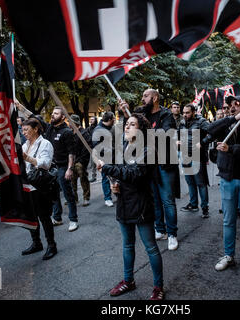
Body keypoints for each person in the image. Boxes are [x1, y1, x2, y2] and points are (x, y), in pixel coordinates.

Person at [98, 113, 164, 300]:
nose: (126, 127)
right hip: (124, 204)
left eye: (132, 124)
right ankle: (128, 280)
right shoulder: (123, 147)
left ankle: (158, 287)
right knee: (127, 245)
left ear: (141, 130)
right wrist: (115, 184)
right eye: (126, 124)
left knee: (150, 247)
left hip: (141, 204)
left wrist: (108, 168)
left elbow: (135, 173)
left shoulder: (148, 150)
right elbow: (122, 173)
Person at [202, 96, 240, 276]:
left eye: (237, 104)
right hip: (228, 179)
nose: (232, 106)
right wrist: (232, 119)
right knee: (228, 221)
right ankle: (228, 256)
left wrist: (231, 149)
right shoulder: (228, 123)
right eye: (230, 104)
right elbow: (209, 129)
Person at [119, 89, 180, 251]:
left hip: (164, 163)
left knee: (167, 199)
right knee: (154, 199)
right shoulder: (140, 113)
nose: (142, 98)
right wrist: (126, 114)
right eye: (142, 96)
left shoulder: (165, 115)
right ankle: (160, 229)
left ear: (155, 97)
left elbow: (165, 135)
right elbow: (132, 126)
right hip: (149, 163)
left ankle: (172, 233)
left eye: (146, 96)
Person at [21, 118, 57, 260]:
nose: (24, 133)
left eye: (26, 130)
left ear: (36, 129)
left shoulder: (44, 143)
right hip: (27, 185)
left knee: (44, 217)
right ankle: (36, 243)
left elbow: (46, 163)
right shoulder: (25, 145)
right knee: (31, 216)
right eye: (22, 130)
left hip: (39, 186)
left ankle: (51, 245)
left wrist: (27, 158)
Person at [44, 106, 79, 231]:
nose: (52, 115)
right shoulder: (50, 129)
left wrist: (70, 169)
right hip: (51, 167)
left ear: (63, 116)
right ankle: (57, 218)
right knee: (53, 194)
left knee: (68, 194)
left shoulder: (67, 132)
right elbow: (32, 117)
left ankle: (73, 220)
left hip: (63, 166)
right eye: (52, 113)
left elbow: (71, 153)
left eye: (56, 113)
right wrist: (19, 106)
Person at [179, 104, 210, 218]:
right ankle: (193, 204)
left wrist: (203, 142)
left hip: (197, 156)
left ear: (193, 112)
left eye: (187, 113)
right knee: (190, 182)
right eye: (184, 113)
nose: (185, 115)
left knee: (200, 183)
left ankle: (205, 208)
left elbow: (212, 132)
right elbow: (178, 135)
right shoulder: (182, 123)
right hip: (185, 155)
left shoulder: (202, 122)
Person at [92, 112, 116, 207]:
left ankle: (117, 193)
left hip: (114, 156)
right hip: (104, 157)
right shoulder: (98, 130)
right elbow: (96, 145)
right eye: (113, 119)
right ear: (110, 120)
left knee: (116, 175)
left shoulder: (111, 128)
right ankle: (108, 198)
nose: (114, 120)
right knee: (106, 177)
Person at [69, 115, 91, 206]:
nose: (69, 124)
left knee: (83, 179)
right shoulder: (71, 133)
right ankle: (74, 198)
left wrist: (82, 161)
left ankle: (86, 197)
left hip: (81, 160)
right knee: (72, 180)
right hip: (72, 160)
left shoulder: (84, 133)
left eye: (70, 122)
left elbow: (87, 148)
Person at [86, 116, 98, 182]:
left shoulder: (98, 128)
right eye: (90, 119)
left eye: (92, 119)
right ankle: (94, 176)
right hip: (92, 147)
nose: (91, 120)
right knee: (93, 163)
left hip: (99, 147)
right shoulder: (88, 129)